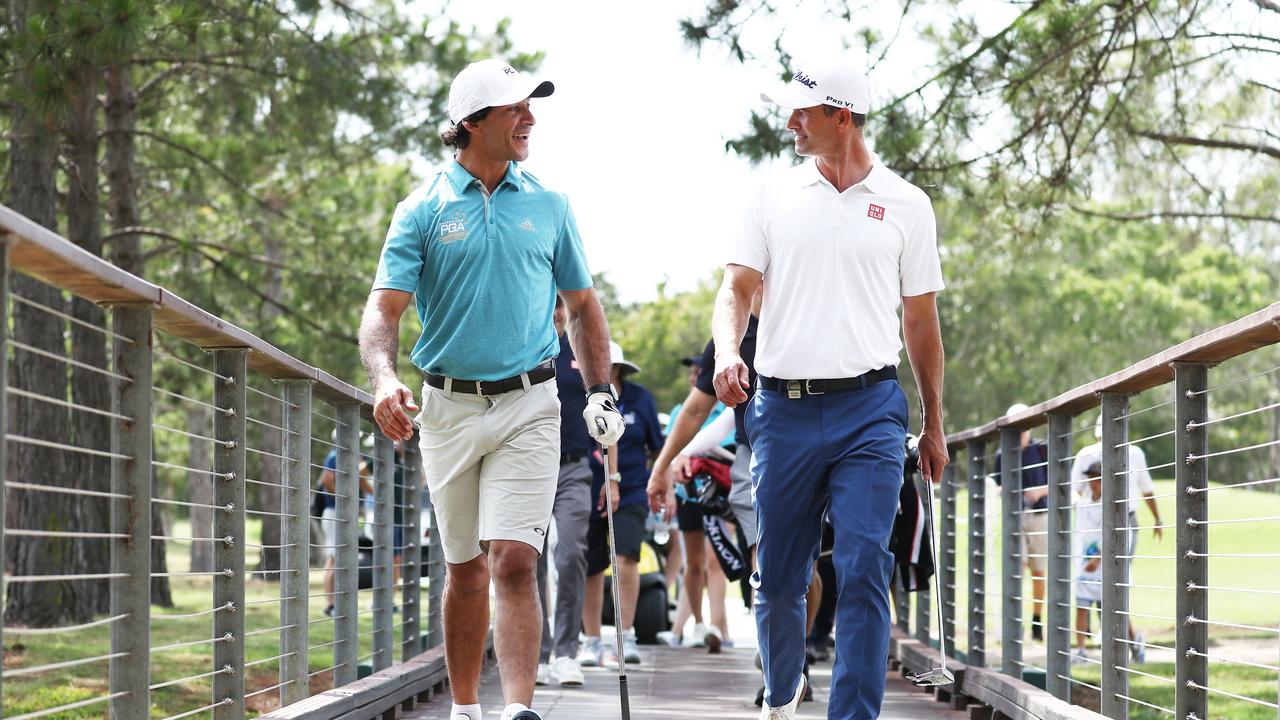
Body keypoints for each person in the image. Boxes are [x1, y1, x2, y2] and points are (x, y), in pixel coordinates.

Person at [357, 58, 624, 720]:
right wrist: (385, 378)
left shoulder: (550, 205)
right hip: (447, 408)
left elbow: (584, 305)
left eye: (531, 106)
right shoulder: (421, 210)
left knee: (511, 560)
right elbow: (382, 313)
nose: (530, 117)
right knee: (466, 570)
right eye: (516, 109)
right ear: (473, 123)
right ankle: (467, 709)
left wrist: (597, 392)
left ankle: (517, 711)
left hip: (532, 401)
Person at [708, 56, 947, 720]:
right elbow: (736, 288)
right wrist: (729, 350)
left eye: (802, 113)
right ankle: (782, 697)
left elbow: (921, 321)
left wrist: (935, 423)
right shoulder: (771, 197)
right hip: (782, 410)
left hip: (871, 408)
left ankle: (853, 715)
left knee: (866, 563)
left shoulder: (907, 204)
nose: (790, 123)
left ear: (842, 118)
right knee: (780, 578)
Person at [580, 342, 665, 667]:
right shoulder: (579, 394)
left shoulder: (640, 398)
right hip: (587, 487)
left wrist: (663, 484)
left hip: (630, 490)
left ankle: (625, 634)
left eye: (612, 367)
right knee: (591, 564)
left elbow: (656, 447)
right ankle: (591, 640)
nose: (607, 372)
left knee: (626, 556)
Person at [533, 297, 593, 689]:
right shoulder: (525, 346)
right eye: (549, 304)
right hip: (529, 465)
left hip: (575, 466)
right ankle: (536, 653)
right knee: (527, 561)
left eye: (561, 306)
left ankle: (567, 653)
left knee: (570, 553)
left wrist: (615, 479)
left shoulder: (581, 349)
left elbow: (606, 407)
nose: (556, 312)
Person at [1069, 416, 1155, 663]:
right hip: (1089, 545)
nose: (1093, 482)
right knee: (1092, 596)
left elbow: (1146, 488)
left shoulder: (1133, 455)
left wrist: (1157, 518)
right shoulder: (1087, 462)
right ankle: (1091, 646)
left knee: (1114, 590)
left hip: (1117, 533)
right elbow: (1076, 490)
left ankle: (1128, 640)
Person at [992, 402, 1051, 641]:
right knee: (1018, 569)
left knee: (1039, 572)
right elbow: (997, 484)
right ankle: (1014, 624)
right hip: (1014, 519)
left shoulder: (1042, 450)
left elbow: (1057, 483)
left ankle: (1036, 621)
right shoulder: (1002, 454)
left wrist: (1039, 492)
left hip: (1039, 517)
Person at [316, 444, 374, 618]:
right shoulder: (335, 454)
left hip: (339, 513)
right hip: (334, 512)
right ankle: (331, 604)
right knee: (334, 559)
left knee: (336, 559)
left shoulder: (343, 455)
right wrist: (344, 498)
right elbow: (327, 479)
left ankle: (334, 603)